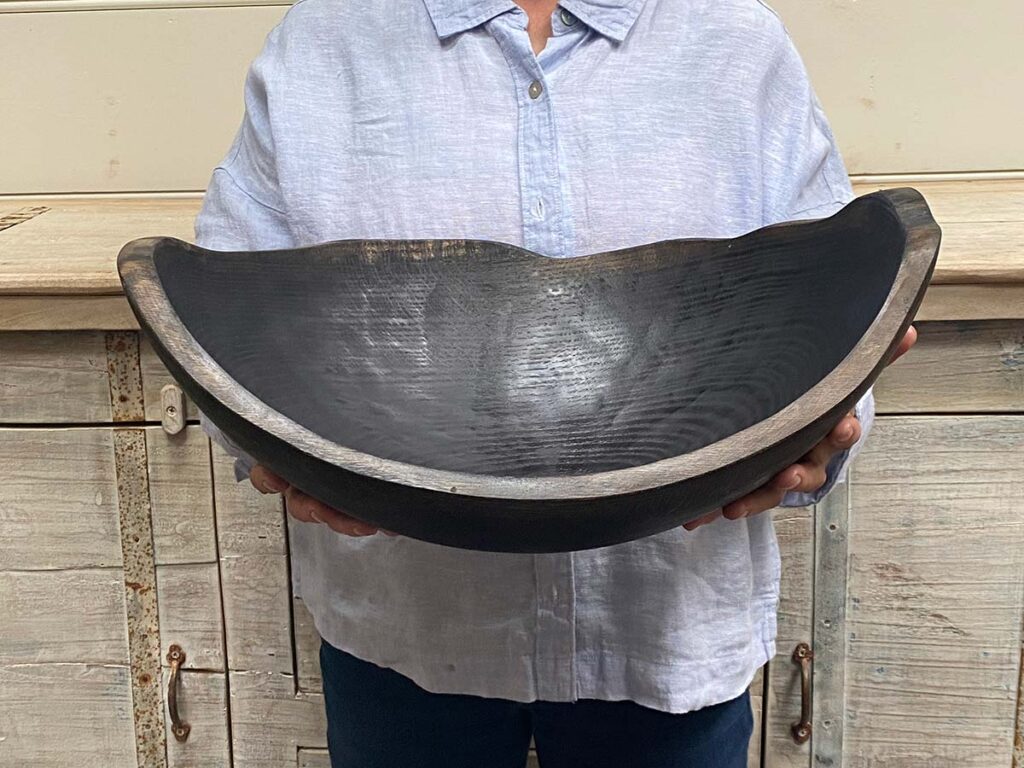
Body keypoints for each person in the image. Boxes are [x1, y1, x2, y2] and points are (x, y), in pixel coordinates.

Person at [195, 0, 916, 764]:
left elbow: (819, 298)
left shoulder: (734, 42)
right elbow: (233, 313)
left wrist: (825, 432)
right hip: (406, 638)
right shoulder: (324, 42)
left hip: (662, 631)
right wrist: (263, 441)